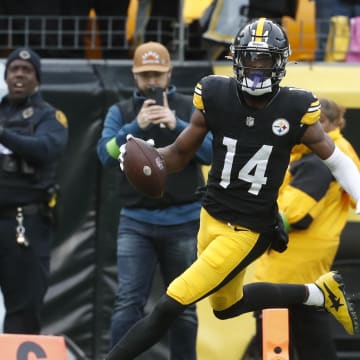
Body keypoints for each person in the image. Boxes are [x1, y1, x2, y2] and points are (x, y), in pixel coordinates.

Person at [105, 18, 360, 360]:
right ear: (237, 58)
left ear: (280, 62)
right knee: (227, 306)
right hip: (211, 215)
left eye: (264, 58)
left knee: (169, 304)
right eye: (249, 58)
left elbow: (338, 161)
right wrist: (147, 154)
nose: (256, 67)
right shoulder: (216, 93)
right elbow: (179, 154)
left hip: (248, 230)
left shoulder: (295, 108)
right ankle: (317, 294)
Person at [97, 41, 212, 359]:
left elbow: (212, 153)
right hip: (137, 222)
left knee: (184, 307)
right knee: (127, 303)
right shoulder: (120, 112)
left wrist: (179, 127)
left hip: (185, 220)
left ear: (169, 74)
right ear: (135, 77)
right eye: (145, 75)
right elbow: (104, 156)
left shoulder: (190, 107)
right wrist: (135, 128)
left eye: (157, 75)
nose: (151, 82)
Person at [248, 98, 360, 360]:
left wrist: (253, 221)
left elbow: (294, 215)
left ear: (330, 124)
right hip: (307, 266)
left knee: (274, 340)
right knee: (312, 339)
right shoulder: (334, 152)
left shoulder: (321, 158)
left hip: (289, 267)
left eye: (314, 122)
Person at [0, 48, 68, 334]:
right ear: (5, 76)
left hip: (24, 224)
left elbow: (47, 149)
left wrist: (3, 134)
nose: (19, 74)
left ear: (37, 80)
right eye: (14, 69)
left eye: (26, 70)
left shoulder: (49, 115)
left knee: (23, 308)